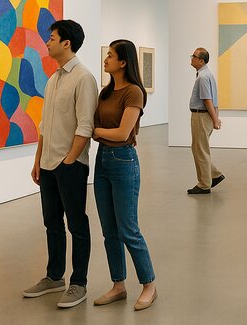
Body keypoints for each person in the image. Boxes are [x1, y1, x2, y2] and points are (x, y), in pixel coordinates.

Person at [23, 20, 98, 308]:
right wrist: (38, 160)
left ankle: (79, 282)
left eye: (52, 38)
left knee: (77, 224)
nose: (47, 42)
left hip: (70, 165)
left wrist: (69, 161)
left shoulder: (84, 78)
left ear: (67, 43)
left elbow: (85, 126)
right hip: (48, 164)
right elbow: (45, 125)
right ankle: (55, 277)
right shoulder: (53, 79)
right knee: (51, 223)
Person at [92, 40, 157, 311]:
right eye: (107, 54)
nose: (105, 59)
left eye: (110, 55)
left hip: (123, 161)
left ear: (123, 62)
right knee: (109, 230)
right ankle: (118, 285)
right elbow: (100, 125)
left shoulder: (134, 92)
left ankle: (149, 285)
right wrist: (100, 132)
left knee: (128, 229)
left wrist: (96, 132)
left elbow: (121, 133)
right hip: (102, 161)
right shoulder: (106, 92)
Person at [187, 47, 224, 194]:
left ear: (201, 61)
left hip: (201, 116)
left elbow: (207, 100)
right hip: (205, 115)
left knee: (200, 150)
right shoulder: (207, 74)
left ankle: (204, 184)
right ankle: (214, 175)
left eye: (194, 56)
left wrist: (215, 120)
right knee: (199, 148)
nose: (192, 58)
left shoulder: (202, 77)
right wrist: (215, 117)